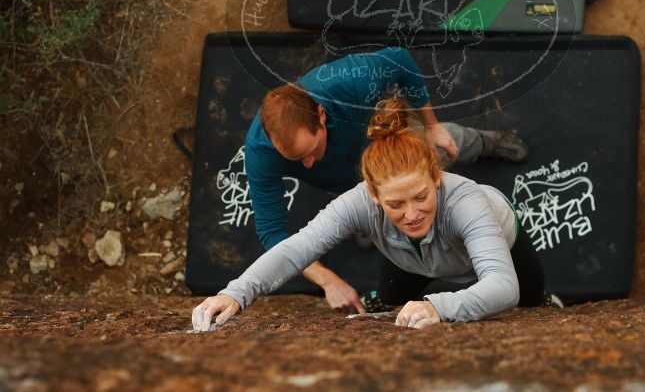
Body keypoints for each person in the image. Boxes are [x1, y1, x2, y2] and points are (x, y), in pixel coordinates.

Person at [193, 98, 546, 331]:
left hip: (499, 235)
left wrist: (439, 307)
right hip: (410, 258)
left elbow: (503, 285)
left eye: (421, 196)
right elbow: (298, 247)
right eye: (396, 204)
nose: (412, 214)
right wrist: (235, 294)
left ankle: (487, 142)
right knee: (392, 297)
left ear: (437, 178)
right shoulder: (358, 200)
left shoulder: (467, 202)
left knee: (531, 296)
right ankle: (393, 295)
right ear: (374, 196)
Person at [245, 47, 529, 314]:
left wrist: (432, 126)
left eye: (313, 150)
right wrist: (327, 279)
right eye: (296, 161)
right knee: (372, 217)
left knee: (441, 147)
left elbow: (399, 59)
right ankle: (369, 218)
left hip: (384, 138)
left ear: (321, 115)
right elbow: (273, 233)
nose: (308, 165)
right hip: (350, 182)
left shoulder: (344, 82)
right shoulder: (260, 154)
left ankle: (484, 143)